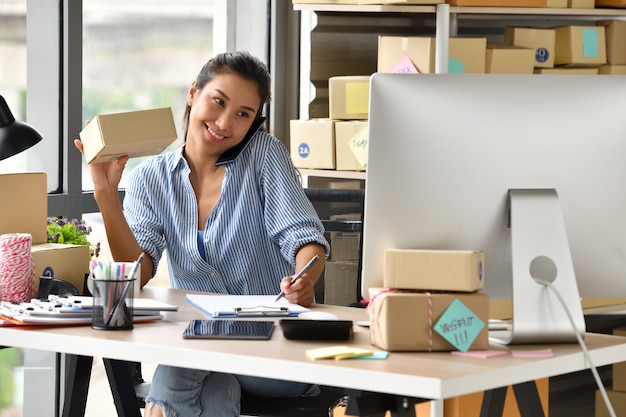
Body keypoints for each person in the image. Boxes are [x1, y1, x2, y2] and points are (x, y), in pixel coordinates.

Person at [75, 50, 329, 417]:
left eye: (243, 114)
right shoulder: (151, 178)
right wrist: (105, 196)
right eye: (218, 102)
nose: (225, 122)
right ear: (194, 92)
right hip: (205, 354)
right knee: (214, 389)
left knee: (182, 357)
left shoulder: (264, 155)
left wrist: (307, 279)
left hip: (275, 352)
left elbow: (304, 238)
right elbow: (139, 272)